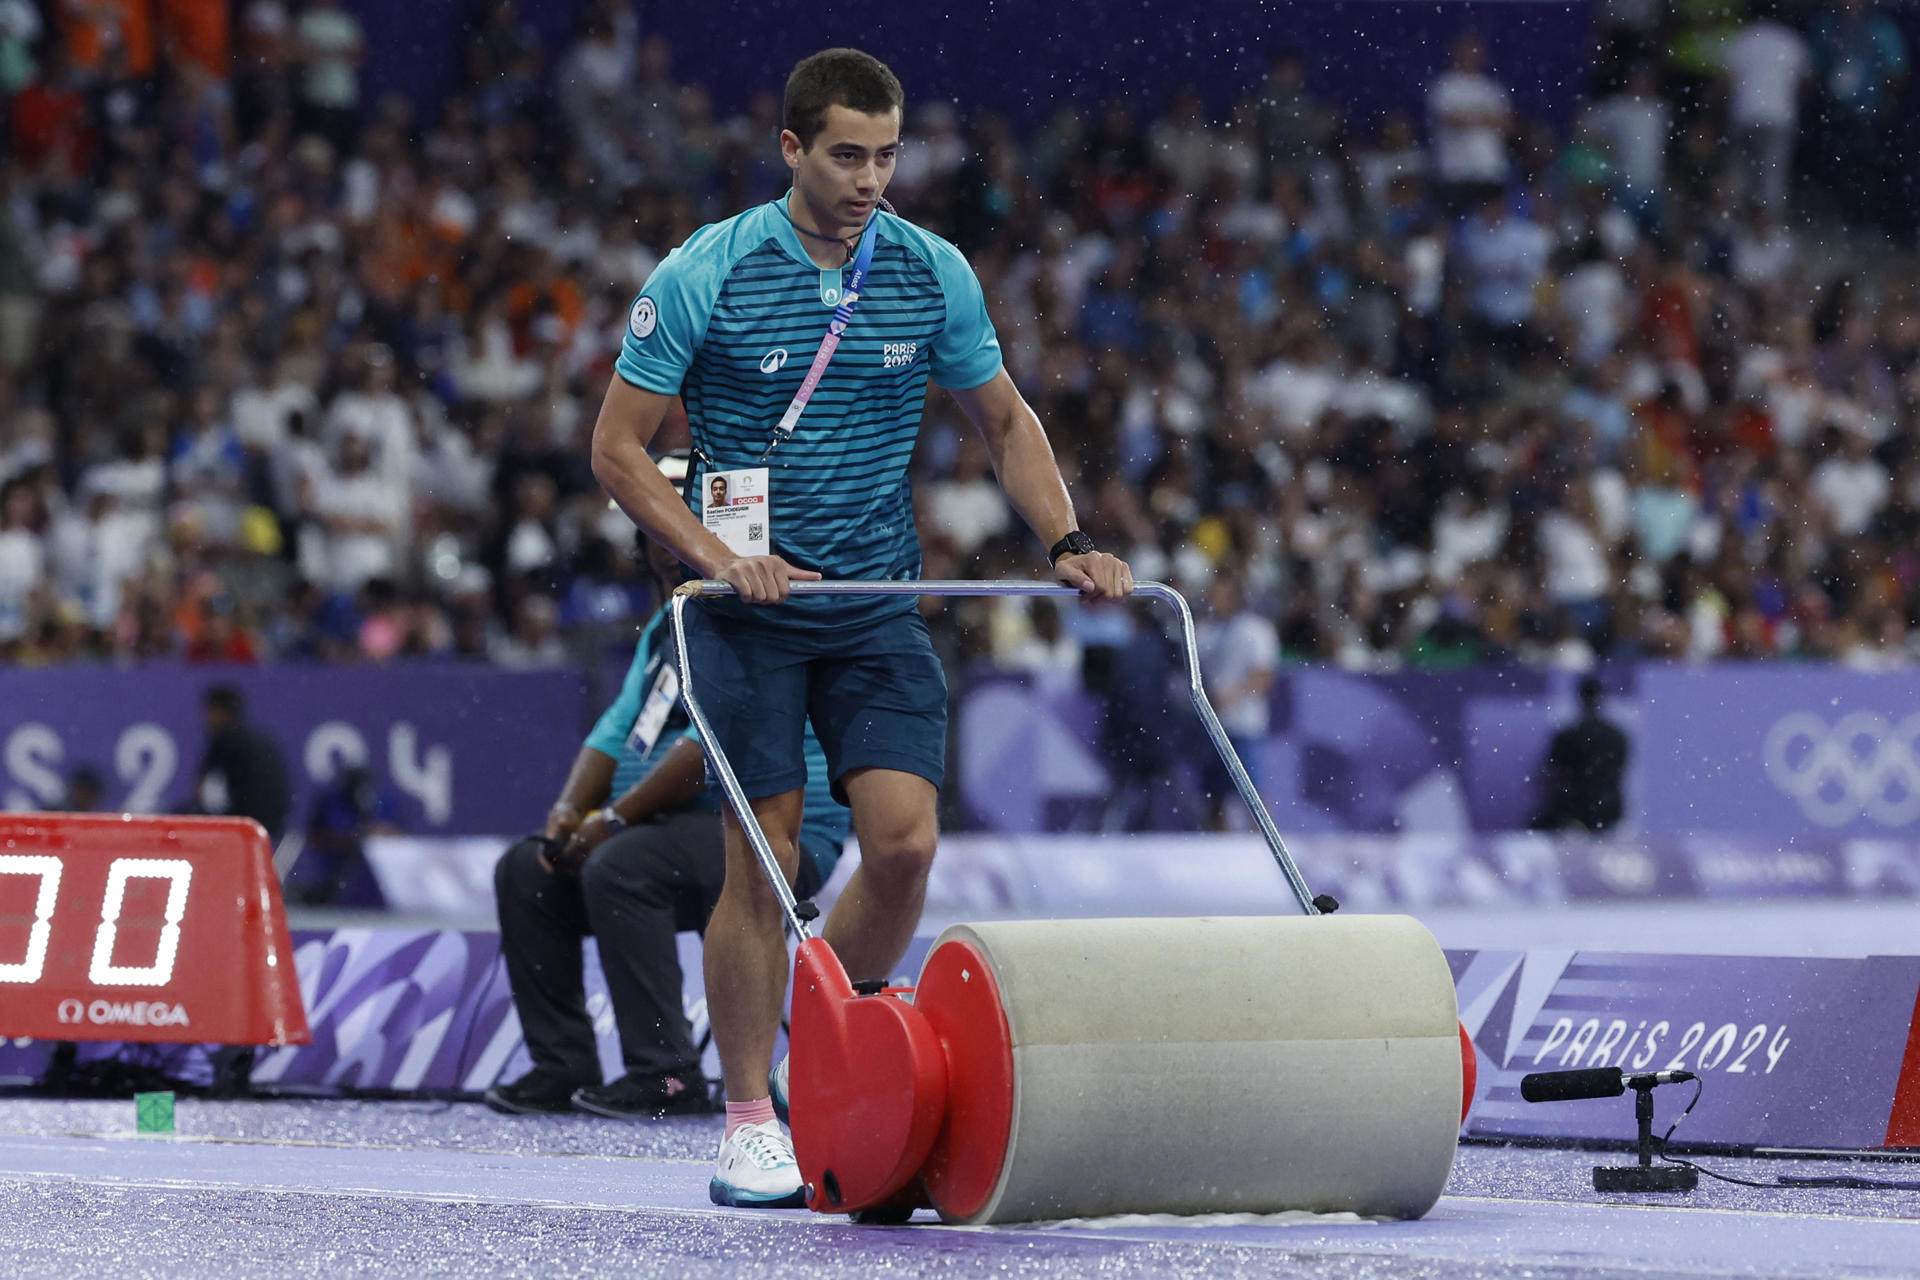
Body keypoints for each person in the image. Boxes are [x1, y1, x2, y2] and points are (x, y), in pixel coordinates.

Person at [589, 48, 1134, 1207]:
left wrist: (1068, 539)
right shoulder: (709, 271)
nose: (870, 177)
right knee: (765, 855)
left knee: (903, 846)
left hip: (874, 602)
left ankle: (814, 1054)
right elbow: (618, 449)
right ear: (791, 149)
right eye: (846, 154)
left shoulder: (929, 272)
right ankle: (745, 1118)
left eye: (885, 154)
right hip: (746, 612)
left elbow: (1004, 416)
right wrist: (722, 558)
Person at [487, 519, 851, 1120]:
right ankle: (562, 1064)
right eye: (652, 529)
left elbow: (710, 741)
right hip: (665, 830)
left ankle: (667, 1073)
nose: (662, 539)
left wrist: (614, 819)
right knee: (528, 870)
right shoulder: (664, 626)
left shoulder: (742, 608)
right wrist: (566, 811)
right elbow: (614, 730)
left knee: (622, 867)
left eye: (677, 520)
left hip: (776, 834)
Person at [190, 684, 291, 845]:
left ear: (219, 711)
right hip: (272, 828)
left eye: (209, 712)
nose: (206, 719)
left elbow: (208, 794)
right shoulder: (263, 741)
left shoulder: (225, 741)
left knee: (186, 815)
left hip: (242, 829)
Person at [1529, 677, 1630, 833]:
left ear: (1580, 698)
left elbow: (1553, 775)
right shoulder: (1618, 736)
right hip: (1610, 810)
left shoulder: (1569, 735)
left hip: (1576, 811)